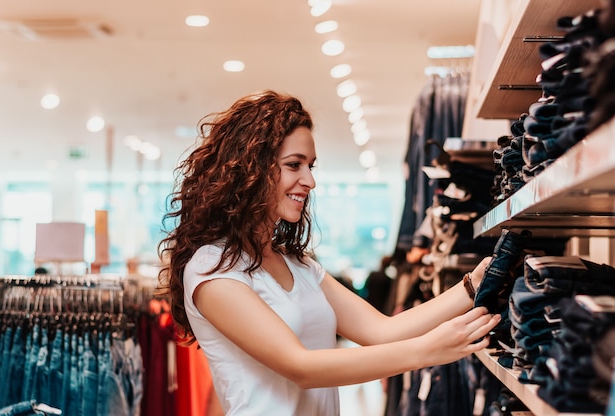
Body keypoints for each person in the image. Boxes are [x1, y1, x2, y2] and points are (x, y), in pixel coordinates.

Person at [157, 90, 500, 416]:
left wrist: (476, 282)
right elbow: (301, 367)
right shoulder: (212, 269)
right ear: (251, 170)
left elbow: (382, 331)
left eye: (311, 166)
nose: (309, 180)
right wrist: (426, 351)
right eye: (294, 165)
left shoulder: (299, 265)